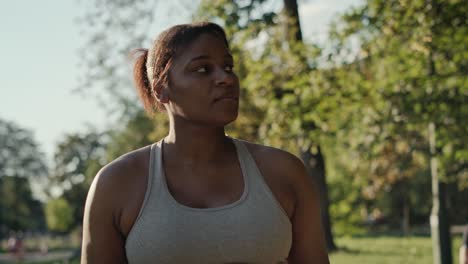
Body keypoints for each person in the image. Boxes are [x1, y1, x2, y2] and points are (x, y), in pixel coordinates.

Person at [81, 22, 329, 264]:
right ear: (161, 90)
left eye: (228, 67)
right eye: (202, 69)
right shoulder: (117, 183)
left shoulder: (284, 173)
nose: (226, 79)